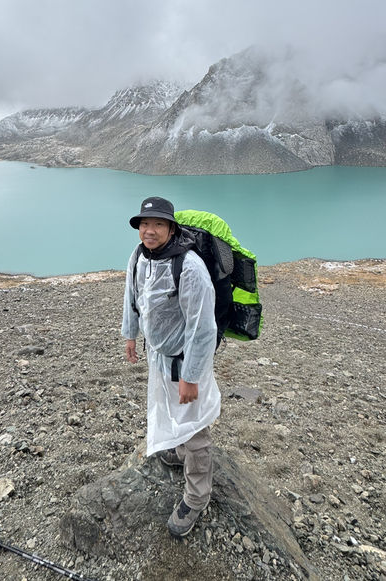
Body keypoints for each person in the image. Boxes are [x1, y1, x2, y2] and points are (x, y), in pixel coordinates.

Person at [121, 196, 221, 538]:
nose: (149, 231)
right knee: (166, 408)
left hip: (185, 361)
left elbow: (203, 328)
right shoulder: (139, 256)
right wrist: (130, 335)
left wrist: (191, 377)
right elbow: (132, 297)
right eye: (144, 224)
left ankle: (196, 497)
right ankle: (177, 451)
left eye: (158, 224)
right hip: (158, 356)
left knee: (194, 428)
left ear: (171, 228)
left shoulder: (190, 267)